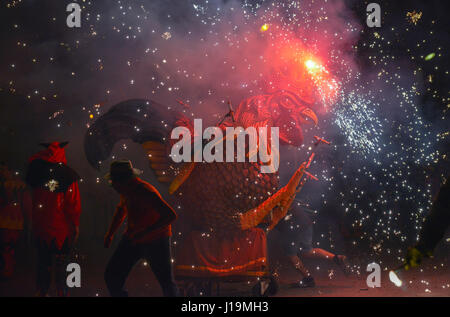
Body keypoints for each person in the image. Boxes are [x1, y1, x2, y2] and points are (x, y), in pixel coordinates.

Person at [103, 160, 178, 297]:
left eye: (114, 181)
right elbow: (121, 211)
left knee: (167, 283)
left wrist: (146, 232)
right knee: (111, 275)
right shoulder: (127, 190)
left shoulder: (145, 191)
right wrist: (110, 234)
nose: (112, 185)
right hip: (134, 238)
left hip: (156, 240)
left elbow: (170, 216)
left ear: (123, 180)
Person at [26, 142, 81, 296]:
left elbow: (34, 200)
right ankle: (62, 292)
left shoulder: (36, 172)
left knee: (44, 263)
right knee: (62, 263)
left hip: (42, 226)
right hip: (61, 229)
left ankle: (41, 292)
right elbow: (73, 203)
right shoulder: (69, 175)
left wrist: (33, 222)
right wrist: (75, 225)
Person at [273, 200, 349, 287]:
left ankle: (308, 279)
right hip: (303, 223)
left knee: (290, 254)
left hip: (296, 225)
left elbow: (289, 209)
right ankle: (336, 258)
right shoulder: (279, 195)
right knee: (306, 251)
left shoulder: (277, 197)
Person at [0, 163, 31, 279]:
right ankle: (8, 270)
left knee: (7, 248)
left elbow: (26, 203)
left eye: (4, 169)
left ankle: (7, 271)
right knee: (9, 249)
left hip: (9, 222)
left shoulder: (15, 186)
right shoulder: (20, 186)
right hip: (14, 222)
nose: (2, 172)